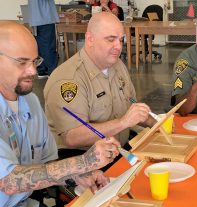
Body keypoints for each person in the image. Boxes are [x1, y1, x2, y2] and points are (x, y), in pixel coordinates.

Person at [0, 21, 120, 207]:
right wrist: (84, 162)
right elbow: (9, 181)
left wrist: (77, 175)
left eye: (34, 61)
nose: (33, 71)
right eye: (22, 62)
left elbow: (46, 164)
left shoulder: (29, 101)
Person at [44, 13, 155, 164]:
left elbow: (131, 105)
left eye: (121, 40)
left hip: (117, 152)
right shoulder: (69, 80)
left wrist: (155, 123)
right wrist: (123, 123)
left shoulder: (117, 66)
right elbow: (72, 137)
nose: (118, 46)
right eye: (111, 39)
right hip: (81, 162)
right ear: (90, 39)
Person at [28, 0, 59, 79]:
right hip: (45, 18)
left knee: (39, 45)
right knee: (48, 45)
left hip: (35, 19)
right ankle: (51, 71)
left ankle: (42, 70)